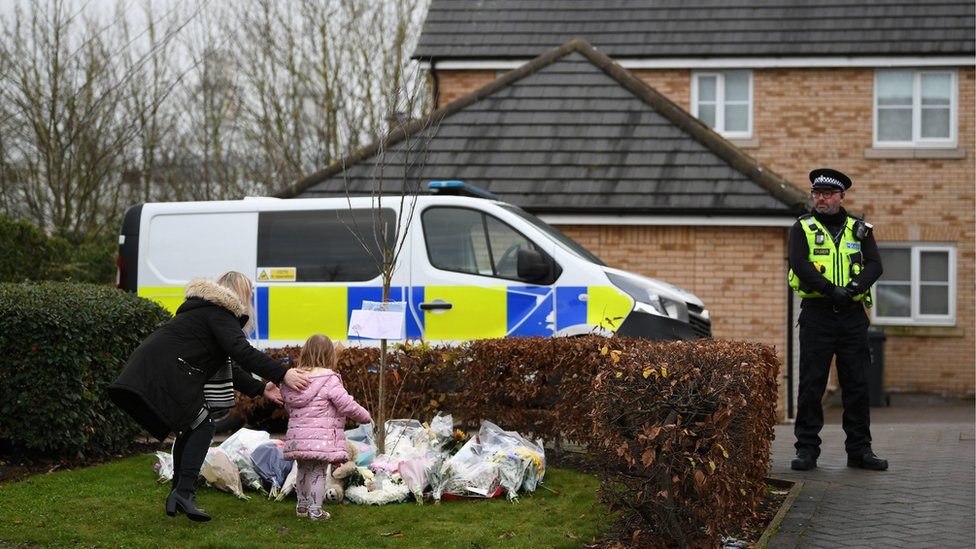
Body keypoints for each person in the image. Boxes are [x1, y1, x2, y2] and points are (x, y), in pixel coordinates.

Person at [109, 272, 310, 521]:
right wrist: (283, 374)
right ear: (240, 295)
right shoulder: (220, 313)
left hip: (161, 367)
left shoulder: (207, 311)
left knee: (193, 426)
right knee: (203, 425)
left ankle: (179, 493)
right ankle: (183, 493)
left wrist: (261, 388)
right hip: (169, 370)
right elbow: (241, 351)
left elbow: (227, 366)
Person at [787, 168, 887, 471]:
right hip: (817, 316)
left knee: (857, 385)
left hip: (852, 318)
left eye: (828, 194)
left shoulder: (860, 228)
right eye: (817, 193)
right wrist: (831, 290)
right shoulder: (802, 227)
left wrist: (853, 289)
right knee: (811, 386)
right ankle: (807, 450)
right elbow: (799, 264)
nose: (822, 198)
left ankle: (859, 450)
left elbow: (875, 265)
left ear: (841, 196)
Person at [281, 334, 371, 521]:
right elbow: (346, 404)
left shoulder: (293, 378)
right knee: (318, 472)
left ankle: (302, 507)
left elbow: (289, 405)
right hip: (321, 439)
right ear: (330, 355)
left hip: (298, 438)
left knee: (303, 470)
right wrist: (365, 416)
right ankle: (316, 510)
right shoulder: (329, 379)